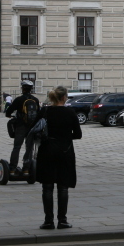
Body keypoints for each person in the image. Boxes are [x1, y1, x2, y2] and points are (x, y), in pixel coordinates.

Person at [35, 86, 82, 230]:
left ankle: (48, 221)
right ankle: (62, 220)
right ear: (64, 97)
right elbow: (78, 134)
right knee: (62, 187)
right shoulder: (70, 112)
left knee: (47, 187)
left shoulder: (45, 111)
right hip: (65, 151)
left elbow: (36, 128)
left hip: (47, 150)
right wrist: (66, 136)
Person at [5, 81, 41, 177]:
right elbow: (39, 113)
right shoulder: (35, 100)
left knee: (17, 147)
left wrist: (9, 115)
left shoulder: (19, 100)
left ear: (23, 88)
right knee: (29, 148)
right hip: (32, 127)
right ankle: (26, 169)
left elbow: (9, 111)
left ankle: (12, 169)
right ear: (31, 89)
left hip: (21, 126)